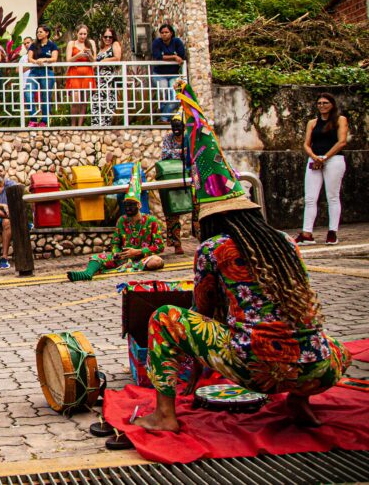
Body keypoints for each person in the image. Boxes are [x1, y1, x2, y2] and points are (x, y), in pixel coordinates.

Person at [133, 83, 350, 432]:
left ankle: (164, 415)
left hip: (256, 369)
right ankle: (299, 402)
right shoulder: (284, 242)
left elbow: (200, 311)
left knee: (164, 319)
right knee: (337, 345)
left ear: (212, 218)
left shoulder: (214, 248)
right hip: (317, 370)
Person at [67, 164, 165, 281]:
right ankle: (87, 274)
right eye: (126, 205)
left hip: (142, 258)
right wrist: (117, 253)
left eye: (131, 205)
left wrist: (138, 252)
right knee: (96, 258)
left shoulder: (151, 221)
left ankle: (132, 266)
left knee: (157, 261)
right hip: (123, 259)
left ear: (139, 205)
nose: (128, 208)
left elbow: (160, 246)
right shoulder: (122, 220)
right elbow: (115, 243)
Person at [295, 93, 348, 246]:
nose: (322, 106)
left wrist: (324, 157)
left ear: (332, 104)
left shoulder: (340, 119)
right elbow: (306, 143)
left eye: (325, 103)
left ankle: (332, 232)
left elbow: (342, 142)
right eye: (319, 103)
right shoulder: (312, 122)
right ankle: (307, 233)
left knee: (332, 196)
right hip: (315, 160)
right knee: (310, 198)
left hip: (333, 160)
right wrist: (314, 156)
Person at [160, 114, 187, 254]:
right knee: (173, 212)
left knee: (197, 210)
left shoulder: (188, 138)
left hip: (188, 176)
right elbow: (165, 154)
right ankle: (177, 243)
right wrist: (181, 153)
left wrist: (176, 153)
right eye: (173, 126)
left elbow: (191, 154)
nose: (176, 129)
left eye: (178, 126)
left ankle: (201, 238)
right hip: (173, 176)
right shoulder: (167, 139)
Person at [151, 23, 186, 122]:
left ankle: (163, 117)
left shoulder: (176, 42)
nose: (164, 34)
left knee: (175, 96)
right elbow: (157, 56)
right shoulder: (157, 42)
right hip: (159, 74)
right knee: (164, 93)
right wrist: (174, 57)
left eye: (166, 32)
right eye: (162, 33)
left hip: (173, 74)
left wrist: (166, 56)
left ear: (171, 33)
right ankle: (165, 117)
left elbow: (182, 55)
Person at [28, 25, 59, 127]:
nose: (38, 34)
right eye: (37, 32)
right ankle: (33, 118)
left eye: (40, 32)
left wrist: (45, 59)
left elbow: (54, 58)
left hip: (47, 72)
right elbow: (30, 58)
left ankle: (44, 121)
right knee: (28, 92)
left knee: (45, 96)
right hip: (34, 71)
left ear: (47, 33)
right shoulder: (34, 45)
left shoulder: (52, 45)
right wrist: (36, 61)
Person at [65, 24, 96, 127]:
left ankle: (80, 125)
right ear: (76, 33)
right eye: (81, 34)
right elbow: (68, 59)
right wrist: (78, 55)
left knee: (84, 102)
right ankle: (73, 125)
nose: (83, 36)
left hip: (87, 73)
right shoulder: (72, 43)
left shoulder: (91, 43)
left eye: (85, 34)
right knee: (75, 100)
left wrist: (89, 55)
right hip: (75, 73)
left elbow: (94, 61)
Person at [90, 28, 122, 127]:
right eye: (105, 37)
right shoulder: (101, 49)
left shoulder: (115, 45)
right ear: (102, 37)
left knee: (107, 102)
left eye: (110, 37)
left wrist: (104, 61)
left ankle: (105, 126)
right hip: (97, 79)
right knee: (96, 102)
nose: (108, 39)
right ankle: (96, 126)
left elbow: (117, 58)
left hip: (108, 79)